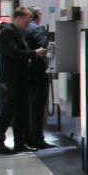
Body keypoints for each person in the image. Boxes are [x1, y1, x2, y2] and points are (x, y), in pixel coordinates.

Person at [0, 8, 45, 155]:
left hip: (19, 78)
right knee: (8, 112)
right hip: (13, 78)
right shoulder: (8, 32)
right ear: (18, 18)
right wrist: (34, 53)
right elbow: (14, 53)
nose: (28, 24)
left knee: (19, 112)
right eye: (27, 21)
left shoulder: (16, 31)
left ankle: (19, 143)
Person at [25, 8, 53, 149]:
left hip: (24, 74)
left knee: (27, 108)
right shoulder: (37, 29)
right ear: (38, 16)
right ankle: (37, 140)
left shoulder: (21, 29)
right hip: (38, 73)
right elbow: (43, 48)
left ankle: (28, 139)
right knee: (38, 108)